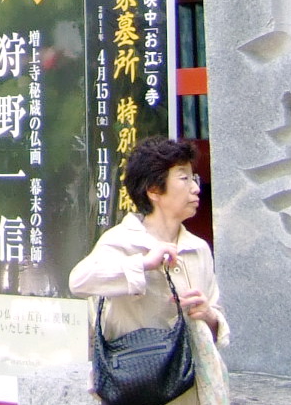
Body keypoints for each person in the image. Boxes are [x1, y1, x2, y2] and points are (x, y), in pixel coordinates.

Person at [69, 138, 229, 405]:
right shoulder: (121, 241)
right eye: (184, 178)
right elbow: (79, 281)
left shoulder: (198, 248)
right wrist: (142, 264)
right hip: (139, 389)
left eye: (194, 178)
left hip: (193, 392)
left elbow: (215, 318)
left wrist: (209, 316)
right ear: (154, 190)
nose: (195, 189)